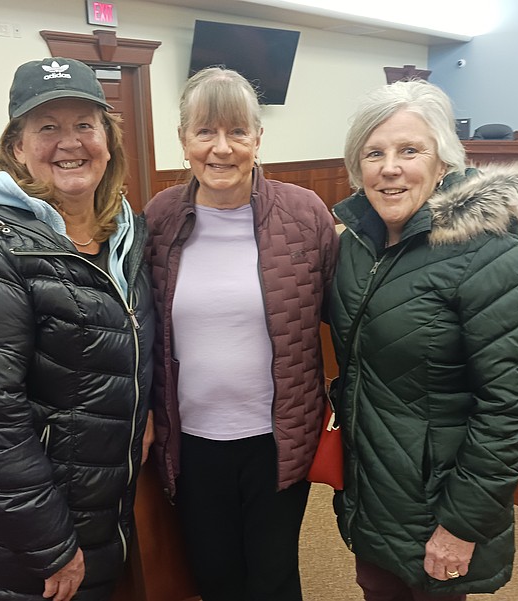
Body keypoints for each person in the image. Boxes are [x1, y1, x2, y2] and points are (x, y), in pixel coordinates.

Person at [0, 57, 154, 601]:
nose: (69, 142)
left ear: (108, 140)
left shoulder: (120, 230)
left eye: (84, 125)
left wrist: (147, 412)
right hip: (11, 528)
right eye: (47, 127)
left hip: (90, 497)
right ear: (16, 147)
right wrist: (47, 542)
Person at [328, 79, 518, 601]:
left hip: (437, 501)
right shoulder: (357, 241)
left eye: (409, 150)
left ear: (444, 161)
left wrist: (462, 525)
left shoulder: (490, 255)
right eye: (374, 153)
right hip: (374, 488)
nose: (390, 167)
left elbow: (508, 408)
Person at [144, 66, 338, 601]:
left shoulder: (305, 216)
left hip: (278, 439)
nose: (222, 148)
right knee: (215, 575)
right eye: (205, 132)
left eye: (237, 132)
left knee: (273, 578)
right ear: (184, 141)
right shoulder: (158, 220)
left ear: (259, 139)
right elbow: (140, 330)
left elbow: (342, 315)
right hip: (192, 441)